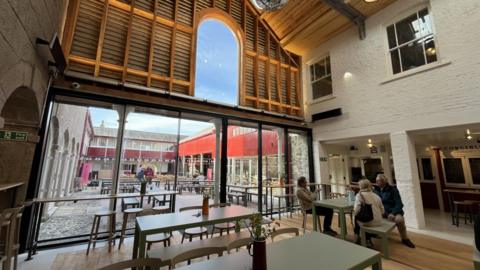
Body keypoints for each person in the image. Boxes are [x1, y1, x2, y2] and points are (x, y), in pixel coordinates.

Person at [374, 174, 415, 248]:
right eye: (376, 180)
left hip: (392, 212)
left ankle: (405, 238)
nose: (376, 182)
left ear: (384, 181)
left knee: (399, 220)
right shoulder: (375, 190)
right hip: (381, 212)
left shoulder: (393, 190)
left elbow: (399, 204)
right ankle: (372, 234)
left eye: (378, 181)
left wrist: (393, 213)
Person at [353, 179, 384, 248]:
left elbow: (356, 209)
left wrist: (355, 213)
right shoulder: (376, 196)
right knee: (363, 218)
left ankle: (360, 237)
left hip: (369, 221)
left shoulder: (359, 195)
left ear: (360, 187)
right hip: (379, 221)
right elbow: (382, 211)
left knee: (357, 218)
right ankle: (364, 237)